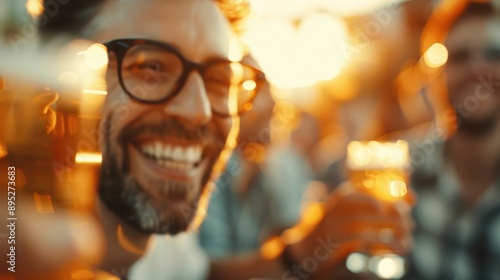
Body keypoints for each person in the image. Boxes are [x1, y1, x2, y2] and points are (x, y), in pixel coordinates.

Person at [0, 0, 412, 279]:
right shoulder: (15, 240)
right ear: (54, 82)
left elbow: (200, 273)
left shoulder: (161, 238)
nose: (198, 111)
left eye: (219, 80)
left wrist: (302, 252)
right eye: (150, 67)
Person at [401, 1, 500, 279]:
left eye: (493, 54)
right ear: (435, 77)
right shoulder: (398, 171)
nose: (477, 68)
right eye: (460, 56)